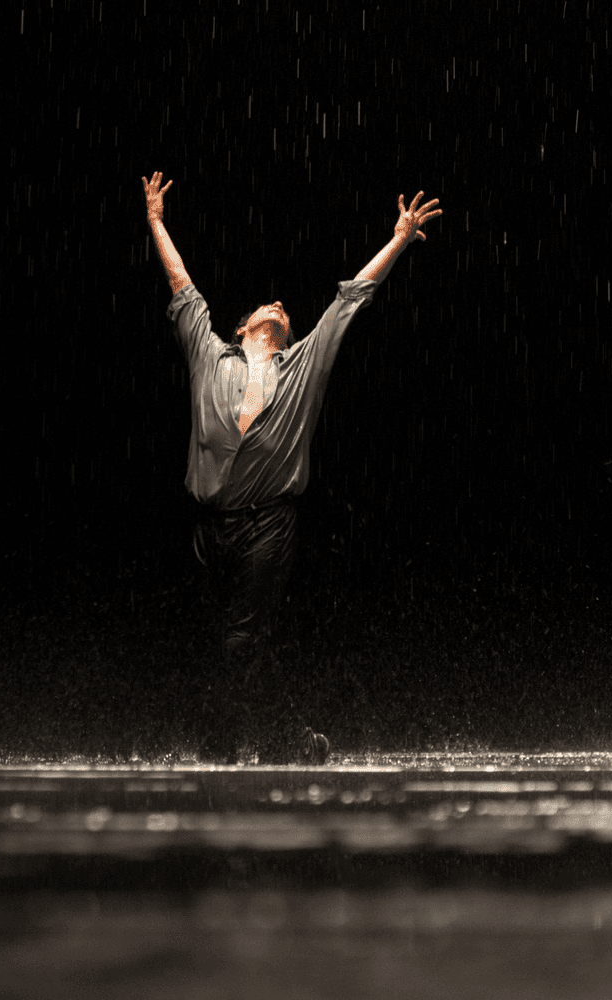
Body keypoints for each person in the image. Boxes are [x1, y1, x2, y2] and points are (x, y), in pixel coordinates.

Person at [141, 170, 442, 765]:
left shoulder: (303, 364)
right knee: (231, 645)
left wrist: (401, 238)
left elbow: (351, 296)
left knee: (240, 638)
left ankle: (220, 747)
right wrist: (155, 220)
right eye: (268, 303)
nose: (279, 304)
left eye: (285, 309)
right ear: (242, 326)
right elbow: (182, 285)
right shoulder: (209, 353)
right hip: (207, 524)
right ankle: (294, 741)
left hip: (267, 523)